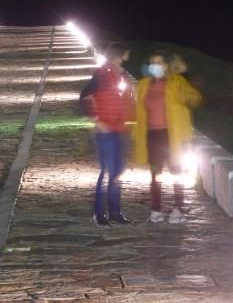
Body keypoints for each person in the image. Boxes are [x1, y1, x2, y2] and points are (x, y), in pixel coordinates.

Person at [132, 52, 203, 223]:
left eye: (158, 63)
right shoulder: (143, 85)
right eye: (152, 63)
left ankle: (178, 209)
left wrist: (188, 98)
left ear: (165, 66)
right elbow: (137, 108)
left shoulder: (176, 82)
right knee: (155, 174)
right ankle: (156, 210)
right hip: (152, 135)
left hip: (172, 135)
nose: (154, 66)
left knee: (176, 172)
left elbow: (196, 98)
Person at [80, 42, 136, 226]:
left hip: (122, 130)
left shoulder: (124, 76)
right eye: (126, 53)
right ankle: (99, 213)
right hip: (106, 131)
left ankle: (115, 211)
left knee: (117, 172)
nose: (128, 56)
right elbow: (85, 95)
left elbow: (127, 101)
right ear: (120, 54)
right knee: (107, 170)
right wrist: (97, 120)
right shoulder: (103, 74)